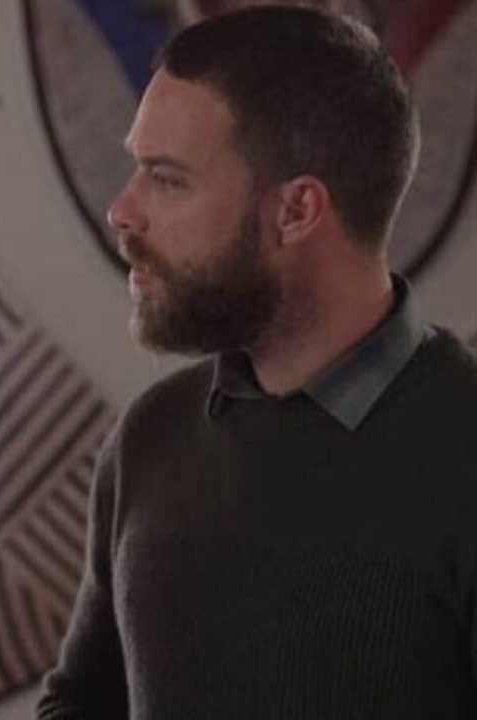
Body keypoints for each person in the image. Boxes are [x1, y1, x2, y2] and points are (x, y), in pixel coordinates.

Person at [37, 6, 477, 719]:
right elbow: (82, 702)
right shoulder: (152, 436)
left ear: (297, 210)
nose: (123, 211)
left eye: (167, 179)